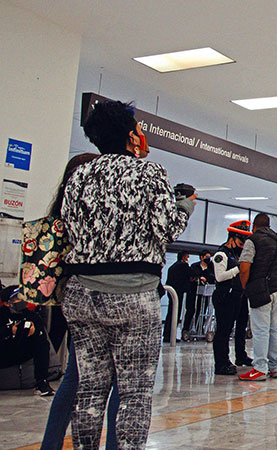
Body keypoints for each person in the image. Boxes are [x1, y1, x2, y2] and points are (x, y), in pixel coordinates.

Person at [61, 99, 195, 448]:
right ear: (130, 135)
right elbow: (166, 228)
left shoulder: (78, 176)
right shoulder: (149, 173)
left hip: (82, 294)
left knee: (89, 390)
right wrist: (184, 206)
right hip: (134, 294)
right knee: (135, 393)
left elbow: (69, 228)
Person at [40, 153, 122, 450]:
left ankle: (50, 444)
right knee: (121, 380)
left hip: (74, 298)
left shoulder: (62, 211)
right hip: (107, 297)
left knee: (75, 378)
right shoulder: (98, 211)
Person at [238, 213, 277, 381]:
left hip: (261, 289)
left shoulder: (253, 240)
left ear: (254, 226)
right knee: (274, 328)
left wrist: (245, 285)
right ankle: (276, 367)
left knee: (260, 329)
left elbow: (244, 267)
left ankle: (259, 368)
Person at [211, 220, 253, 375]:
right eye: (240, 242)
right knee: (224, 330)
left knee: (240, 328)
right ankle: (221, 363)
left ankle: (240, 356)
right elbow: (220, 277)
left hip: (238, 295)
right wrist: (238, 269)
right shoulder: (221, 254)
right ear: (232, 239)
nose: (242, 246)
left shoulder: (236, 254)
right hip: (225, 296)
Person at [1, 286, 54, 396]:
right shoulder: (2, 315)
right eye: (17, 298)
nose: (21, 300)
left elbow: (41, 337)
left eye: (22, 297)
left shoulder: (31, 315)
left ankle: (42, 383)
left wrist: (35, 331)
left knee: (41, 342)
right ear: (7, 303)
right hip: (4, 351)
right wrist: (10, 330)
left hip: (21, 350)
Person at [163, 251, 194, 342]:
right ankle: (171, 335)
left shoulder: (172, 266)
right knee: (176, 313)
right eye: (187, 257)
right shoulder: (183, 265)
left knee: (170, 313)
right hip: (178, 292)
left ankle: (167, 334)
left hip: (171, 291)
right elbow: (192, 273)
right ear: (184, 258)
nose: (188, 259)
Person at [183, 250, 215, 340]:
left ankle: (200, 329)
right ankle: (187, 329)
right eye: (206, 257)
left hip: (206, 292)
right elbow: (192, 276)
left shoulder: (211, 267)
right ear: (201, 257)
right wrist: (199, 278)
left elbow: (213, 277)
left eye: (209, 257)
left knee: (203, 310)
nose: (208, 259)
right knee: (191, 310)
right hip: (194, 292)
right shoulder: (194, 266)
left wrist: (207, 279)